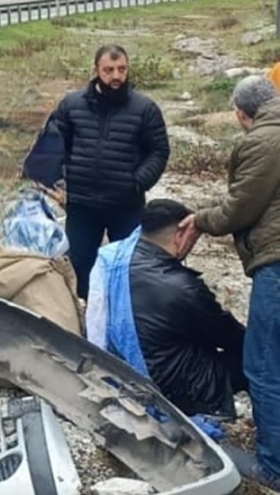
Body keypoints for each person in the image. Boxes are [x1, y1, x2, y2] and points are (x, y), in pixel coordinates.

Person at [178, 74, 280, 490]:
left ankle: (273, 465)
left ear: (241, 113)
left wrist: (200, 220)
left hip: (277, 263)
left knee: (263, 364)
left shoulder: (262, 140)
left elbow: (240, 208)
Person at [86, 199, 247, 420]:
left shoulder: (111, 257)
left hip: (122, 368)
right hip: (172, 388)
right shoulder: (182, 287)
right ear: (180, 234)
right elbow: (228, 335)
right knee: (258, 353)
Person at [46, 44, 171, 301]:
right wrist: (59, 184)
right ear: (96, 71)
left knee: (126, 271)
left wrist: (138, 182)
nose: (116, 76)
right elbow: (53, 145)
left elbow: (158, 151)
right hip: (82, 206)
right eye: (109, 70)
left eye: (121, 69)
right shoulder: (72, 106)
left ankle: (121, 327)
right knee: (79, 267)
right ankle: (81, 326)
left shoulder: (145, 109)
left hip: (125, 206)